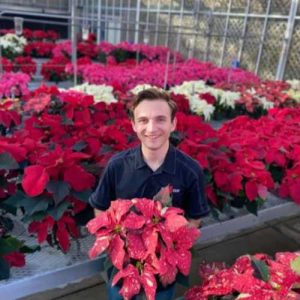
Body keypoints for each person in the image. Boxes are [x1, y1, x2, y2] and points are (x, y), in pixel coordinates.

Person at [89, 88, 209, 299]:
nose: (151, 128)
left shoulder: (190, 170)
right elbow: (100, 207)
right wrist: (118, 244)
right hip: (123, 268)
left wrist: (165, 250)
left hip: (163, 270)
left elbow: (195, 218)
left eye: (160, 119)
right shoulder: (117, 166)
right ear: (134, 125)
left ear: (173, 123)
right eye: (143, 120)